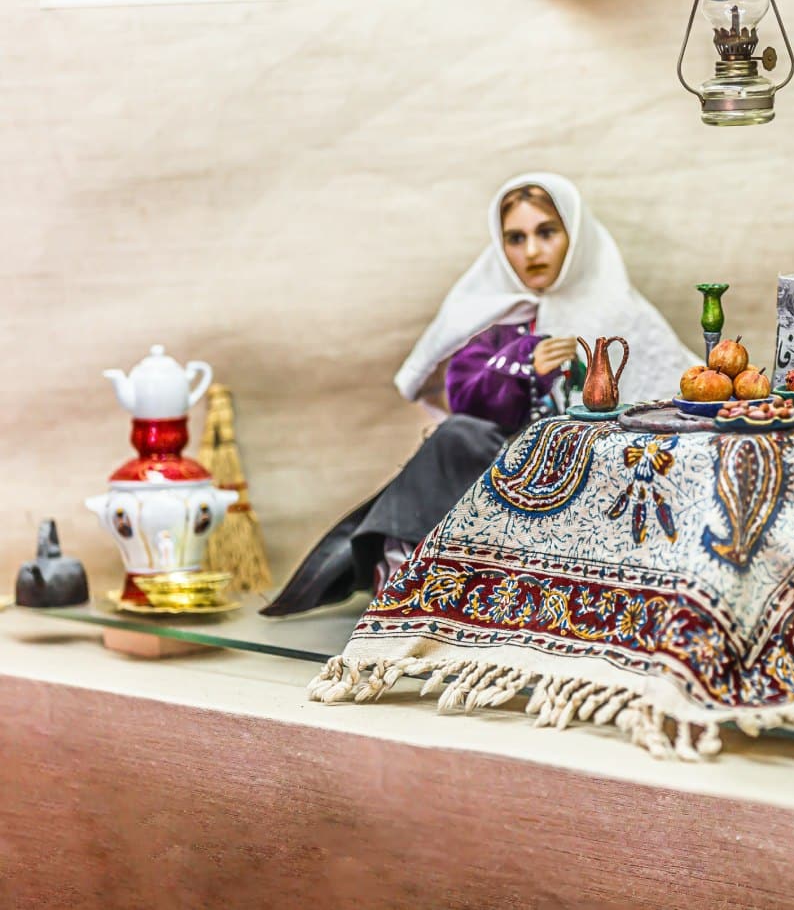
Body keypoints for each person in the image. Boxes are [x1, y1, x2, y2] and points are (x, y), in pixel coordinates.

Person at [263, 172, 697, 616]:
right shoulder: (495, 318)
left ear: (575, 235)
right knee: (458, 436)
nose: (531, 251)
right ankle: (405, 568)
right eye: (515, 238)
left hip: (593, 476)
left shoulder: (619, 311)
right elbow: (465, 397)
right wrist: (523, 364)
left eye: (546, 232)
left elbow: (669, 396)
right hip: (505, 474)